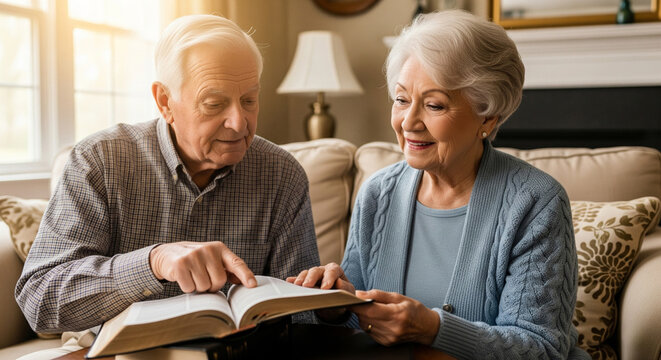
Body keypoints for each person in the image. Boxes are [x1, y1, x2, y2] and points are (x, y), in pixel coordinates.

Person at [288, 10, 590, 359]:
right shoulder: (377, 193)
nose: (409, 122)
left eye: (434, 105)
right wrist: (336, 306)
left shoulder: (536, 202)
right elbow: (359, 328)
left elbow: (542, 349)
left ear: (487, 117)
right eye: (401, 100)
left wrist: (433, 328)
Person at [16, 14, 319, 334]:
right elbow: (39, 303)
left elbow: (301, 316)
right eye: (214, 103)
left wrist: (327, 305)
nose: (239, 123)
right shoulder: (100, 161)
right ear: (165, 102)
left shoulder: (282, 174)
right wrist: (152, 264)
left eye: (249, 100)